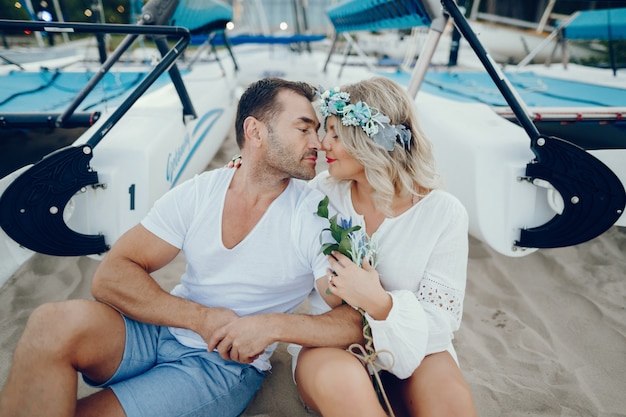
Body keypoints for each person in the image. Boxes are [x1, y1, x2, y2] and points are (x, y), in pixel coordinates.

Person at [0, 78, 363, 417]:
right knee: (50, 322)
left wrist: (270, 326)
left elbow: (351, 320)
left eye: (316, 131)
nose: (317, 142)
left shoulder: (314, 214)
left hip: (222, 363)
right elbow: (111, 275)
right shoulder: (200, 191)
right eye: (304, 129)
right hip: (159, 330)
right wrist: (199, 318)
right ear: (255, 131)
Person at [291, 77, 478, 417]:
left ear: (370, 139)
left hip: (418, 346)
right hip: (333, 345)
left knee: (449, 404)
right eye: (325, 131)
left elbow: (441, 321)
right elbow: (272, 206)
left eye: (336, 134)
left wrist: (380, 303)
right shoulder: (320, 194)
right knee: (346, 390)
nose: (323, 144)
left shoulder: (443, 212)